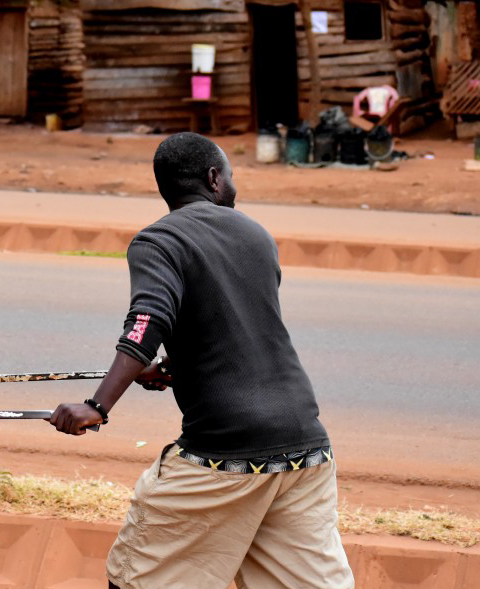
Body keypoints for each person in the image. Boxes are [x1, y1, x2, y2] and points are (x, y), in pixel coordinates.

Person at [50, 132, 352, 589]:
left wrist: (98, 406)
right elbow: (232, 327)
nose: (233, 184)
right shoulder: (256, 234)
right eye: (231, 174)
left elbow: (147, 320)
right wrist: (175, 364)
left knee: (136, 578)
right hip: (306, 447)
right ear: (213, 179)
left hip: (225, 452)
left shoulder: (158, 240)